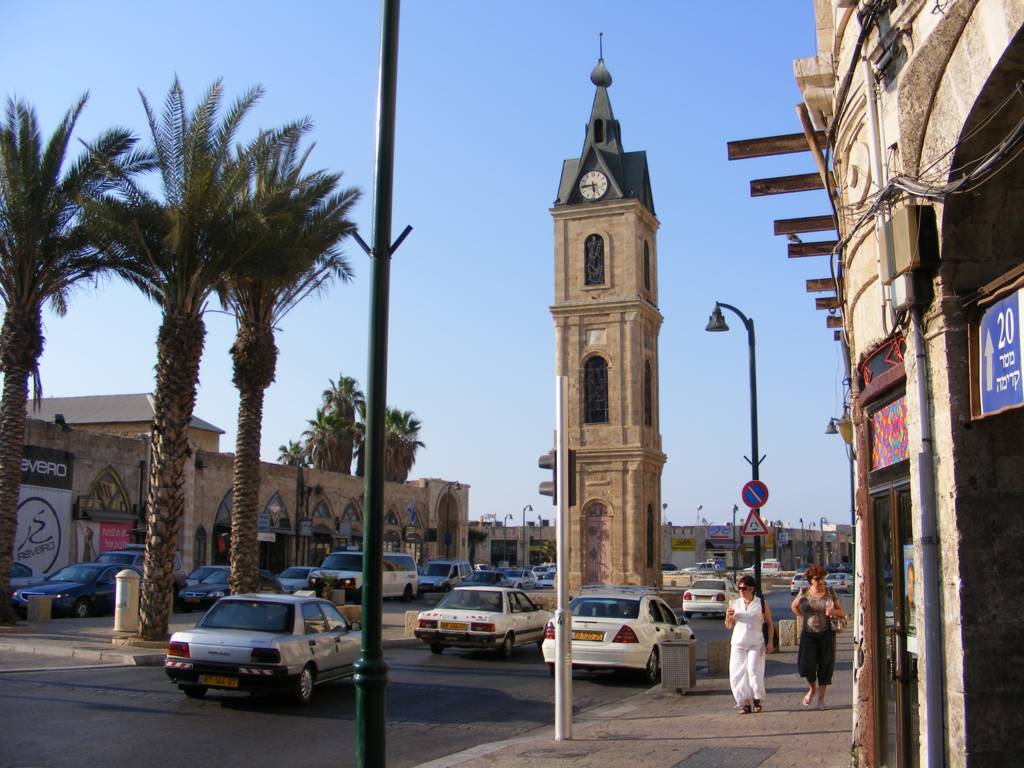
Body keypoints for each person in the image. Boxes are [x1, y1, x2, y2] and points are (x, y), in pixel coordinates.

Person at [791, 564, 845, 709]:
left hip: (826, 633)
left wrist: (833, 611)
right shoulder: (803, 592)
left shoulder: (830, 592)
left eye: (822, 579)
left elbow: (842, 612)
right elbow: (794, 606)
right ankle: (812, 688)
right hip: (808, 634)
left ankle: (821, 700)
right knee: (806, 666)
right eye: (817, 579)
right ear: (810, 580)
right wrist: (804, 616)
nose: (820, 582)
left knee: (825, 666)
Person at [724, 574, 774, 714]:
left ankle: (757, 698)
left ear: (751, 589)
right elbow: (728, 626)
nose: (741, 591)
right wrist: (728, 617)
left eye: (744, 588)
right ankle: (744, 702)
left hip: (756, 643)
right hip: (738, 643)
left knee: (753, 670)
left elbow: (769, 623)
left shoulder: (761, 603)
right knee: (737, 674)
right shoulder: (734, 603)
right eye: (739, 588)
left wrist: (770, 641)